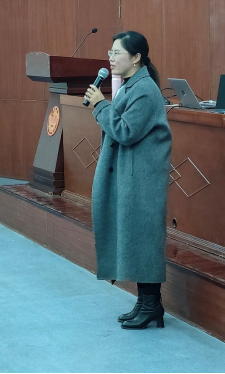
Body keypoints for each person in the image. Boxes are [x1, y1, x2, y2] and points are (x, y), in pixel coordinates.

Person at [83, 31, 172, 330]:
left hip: (142, 179)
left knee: (144, 240)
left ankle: (152, 306)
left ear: (136, 58)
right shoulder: (131, 85)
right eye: (109, 52)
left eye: (116, 52)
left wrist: (100, 105)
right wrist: (103, 106)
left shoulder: (145, 90)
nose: (110, 58)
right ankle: (145, 303)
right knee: (135, 238)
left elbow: (125, 131)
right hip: (131, 176)